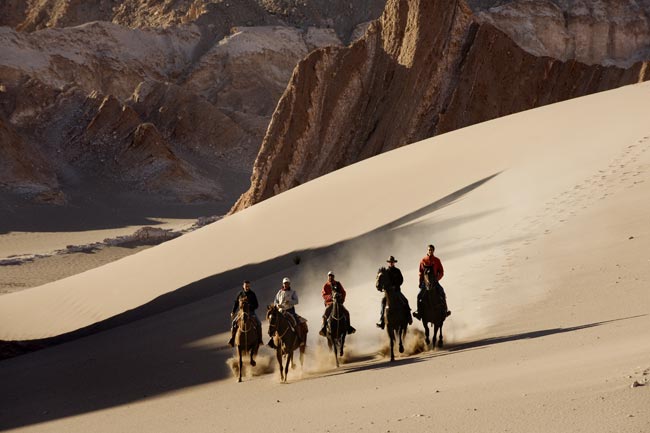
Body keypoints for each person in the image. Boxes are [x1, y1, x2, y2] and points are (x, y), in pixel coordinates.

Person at [268, 277, 308, 348]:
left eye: (287, 283)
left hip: (290, 311)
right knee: (274, 322)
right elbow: (275, 301)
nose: (285, 285)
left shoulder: (293, 292)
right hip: (281, 311)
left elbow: (296, 301)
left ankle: (299, 339)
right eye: (284, 283)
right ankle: (272, 339)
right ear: (283, 284)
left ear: (289, 284)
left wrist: (289, 302)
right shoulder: (279, 292)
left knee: (295, 322)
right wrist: (277, 305)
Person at [413, 244, 451, 318]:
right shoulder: (423, 260)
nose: (430, 251)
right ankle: (419, 312)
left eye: (431, 250)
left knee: (442, 292)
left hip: (435, 282)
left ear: (433, 251)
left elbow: (441, 272)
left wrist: (437, 279)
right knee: (419, 295)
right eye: (429, 250)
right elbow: (421, 272)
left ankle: (445, 311)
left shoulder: (437, 260)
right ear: (427, 250)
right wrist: (420, 282)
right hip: (425, 282)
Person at [376, 256, 412, 329]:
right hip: (388, 293)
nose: (391, 263)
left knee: (405, 300)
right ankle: (381, 320)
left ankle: (409, 317)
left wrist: (396, 285)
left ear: (394, 263)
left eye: (392, 262)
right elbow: (382, 281)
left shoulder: (397, 271)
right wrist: (383, 287)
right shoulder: (385, 272)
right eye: (390, 262)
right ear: (388, 263)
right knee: (383, 302)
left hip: (397, 291)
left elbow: (401, 280)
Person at [319, 271, 356, 337]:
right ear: (328, 277)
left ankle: (349, 328)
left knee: (347, 313)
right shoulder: (326, 285)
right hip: (330, 303)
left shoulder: (338, 284)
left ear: (333, 277)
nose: (330, 277)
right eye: (329, 276)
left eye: (332, 276)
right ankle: (324, 329)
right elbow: (324, 295)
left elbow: (343, 292)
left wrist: (341, 299)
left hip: (338, 302)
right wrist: (330, 297)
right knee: (325, 314)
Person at [228, 280, 262, 347]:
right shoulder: (240, 294)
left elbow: (256, 305)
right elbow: (236, 303)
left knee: (259, 323)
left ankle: (259, 340)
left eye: (248, 286)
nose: (247, 287)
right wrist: (233, 311)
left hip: (251, 313)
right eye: (246, 286)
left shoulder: (252, 294)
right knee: (234, 323)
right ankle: (232, 339)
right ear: (243, 286)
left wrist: (250, 306)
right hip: (241, 313)